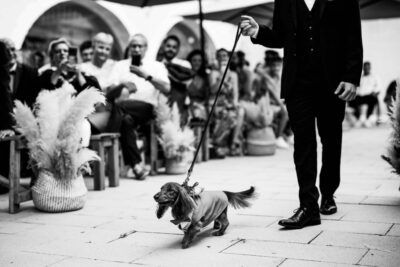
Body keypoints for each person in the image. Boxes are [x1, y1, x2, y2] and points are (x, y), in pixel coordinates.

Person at [240, 0, 363, 229]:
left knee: (331, 139)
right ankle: (308, 206)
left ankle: (328, 193)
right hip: (298, 84)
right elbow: (280, 36)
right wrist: (258, 31)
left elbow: (353, 34)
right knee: (303, 143)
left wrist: (352, 77)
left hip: (333, 82)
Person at [108, 33, 170, 179]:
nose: (136, 49)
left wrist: (146, 76)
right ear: (129, 47)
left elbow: (167, 88)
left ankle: (109, 138)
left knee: (121, 106)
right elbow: (109, 90)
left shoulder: (156, 66)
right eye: (133, 46)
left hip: (147, 108)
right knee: (126, 121)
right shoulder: (120, 65)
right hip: (124, 111)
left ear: (145, 48)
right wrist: (123, 85)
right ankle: (136, 166)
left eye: (139, 46)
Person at [255, 50, 292, 149]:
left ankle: (288, 134)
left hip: (277, 103)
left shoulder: (279, 77)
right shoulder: (267, 78)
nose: (276, 68)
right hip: (267, 105)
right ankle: (278, 137)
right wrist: (282, 105)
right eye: (274, 66)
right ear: (270, 66)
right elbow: (274, 95)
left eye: (278, 66)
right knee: (285, 111)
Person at [209, 48, 241, 157]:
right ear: (216, 58)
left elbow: (235, 92)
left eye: (225, 55)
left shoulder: (234, 75)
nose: (223, 58)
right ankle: (218, 143)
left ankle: (233, 143)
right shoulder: (213, 73)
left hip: (229, 102)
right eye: (220, 56)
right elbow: (213, 90)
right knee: (226, 114)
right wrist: (221, 76)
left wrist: (235, 103)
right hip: (216, 101)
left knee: (240, 112)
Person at [159, 35, 193, 124]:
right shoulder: (157, 65)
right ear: (163, 46)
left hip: (180, 105)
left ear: (178, 49)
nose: (171, 49)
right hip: (161, 105)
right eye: (168, 46)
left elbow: (186, 82)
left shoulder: (184, 64)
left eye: (174, 47)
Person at [349, 62, 380, 127]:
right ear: (363, 68)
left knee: (373, 99)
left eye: (367, 67)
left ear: (370, 68)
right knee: (352, 99)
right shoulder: (360, 77)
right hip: (360, 96)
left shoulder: (375, 77)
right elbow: (356, 87)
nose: (366, 69)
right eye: (365, 67)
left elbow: (378, 88)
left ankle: (368, 118)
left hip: (370, 96)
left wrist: (375, 92)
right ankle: (359, 118)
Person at [186, 49, 209, 122]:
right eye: (194, 60)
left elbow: (208, 96)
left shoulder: (206, 77)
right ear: (190, 61)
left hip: (201, 107)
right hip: (187, 106)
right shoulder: (184, 76)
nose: (197, 63)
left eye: (199, 60)